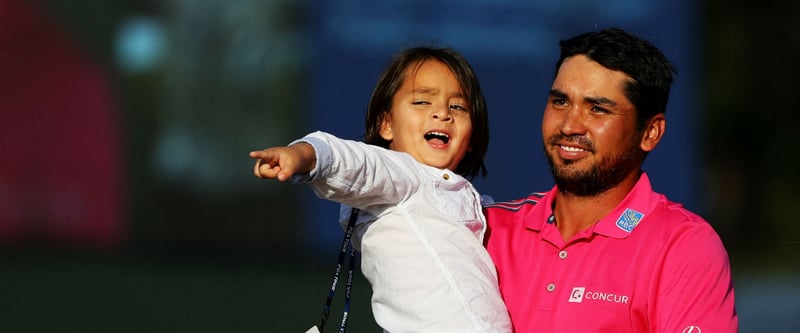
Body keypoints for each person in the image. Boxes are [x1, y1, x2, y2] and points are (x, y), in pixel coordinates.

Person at [483, 28, 738, 332]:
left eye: (598, 109)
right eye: (560, 102)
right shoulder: (488, 229)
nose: (569, 125)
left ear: (650, 133)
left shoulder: (682, 246)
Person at [250, 47, 511, 332]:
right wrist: (305, 155)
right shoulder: (403, 176)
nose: (442, 113)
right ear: (386, 124)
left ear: (473, 135)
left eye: (458, 107)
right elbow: (353, 160)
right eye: (422, 101)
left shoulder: (479, 205)